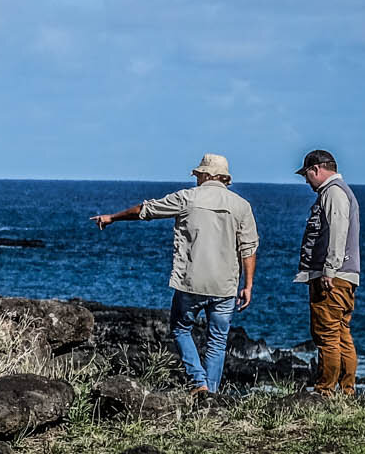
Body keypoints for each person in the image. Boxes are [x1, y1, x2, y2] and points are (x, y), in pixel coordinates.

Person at [91, 154, 259, 394]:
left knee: (180, 329)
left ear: (205, 175)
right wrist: (248, 285)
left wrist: (111, 217)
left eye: (198, 175)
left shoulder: (187, 198)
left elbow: (145, 210)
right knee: (217, 342)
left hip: (191, 282)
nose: (197, 178)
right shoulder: (241, 205)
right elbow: (249, 248)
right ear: (223, 177)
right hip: (225, 286)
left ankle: (198, 381)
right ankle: (209, 394)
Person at [294, 148, 362, 397]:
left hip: (333, 277)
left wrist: (329, 270)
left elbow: (337, 230)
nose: (306, 181)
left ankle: (326, 390)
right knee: (341, 333)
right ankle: (347, 389)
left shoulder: (332, 192)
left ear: (316, 170)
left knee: (327, 334)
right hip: (345, 276)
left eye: (307, 175)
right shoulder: (341, 191)